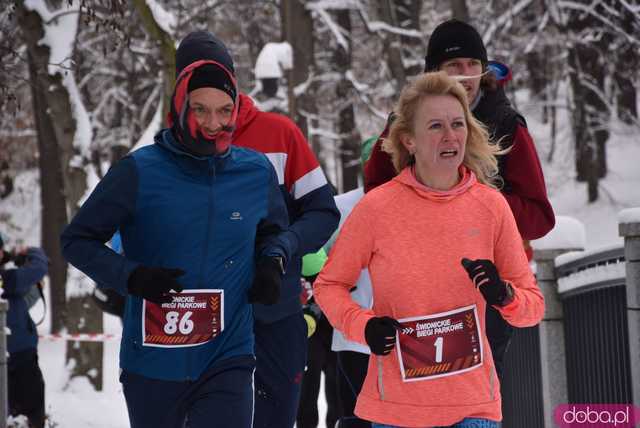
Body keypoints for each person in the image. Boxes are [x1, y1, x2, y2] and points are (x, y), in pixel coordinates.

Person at [61, 31, 294, 428]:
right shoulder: (138, 171)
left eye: (225, 110)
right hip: (153, 359)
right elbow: (76, 241)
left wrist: (273, 263)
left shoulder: (255, 173)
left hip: (229, 353)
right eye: (200, 110)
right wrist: (130, 276)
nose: (213, 124)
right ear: (180, 105)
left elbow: (272, 233)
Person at [313, 72, 545, 427]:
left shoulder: (491, 206)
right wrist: (365, 327)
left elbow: (532, 307)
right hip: (397, 410)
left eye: (457, 124)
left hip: (474, 407)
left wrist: (505, 296)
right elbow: (328, 285)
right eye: (436, 126)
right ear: (409, 140)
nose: (451, 136)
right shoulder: (377, 209)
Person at [363, 19, 555, 382]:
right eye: (454, 66)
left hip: (486, 286)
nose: (464, 76)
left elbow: (540, 217)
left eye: (472, 65)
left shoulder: (506, 123)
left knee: (475, 398)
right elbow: (375, 194)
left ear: (484, 71)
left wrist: (476, 202)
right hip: (415, 285)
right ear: (434, 73)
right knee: (420, 396)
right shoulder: (403, 123)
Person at [202, 34, 339, 428]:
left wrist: (285, 246)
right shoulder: (172, 149)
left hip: (275, 310)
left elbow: (322, 211)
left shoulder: (279, 133)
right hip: (205, 320)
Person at [0, 233, 48, 428]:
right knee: (31, 409)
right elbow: (39, 267)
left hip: (14, 352)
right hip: (19, 355)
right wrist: (31, 253)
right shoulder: (8, 278)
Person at [297, 248, 341, 428]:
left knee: (333, 384)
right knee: (309, 385)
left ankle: (335, 422)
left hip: (331, 330)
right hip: (310, 332)